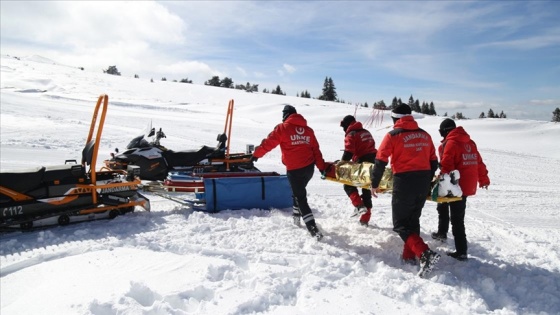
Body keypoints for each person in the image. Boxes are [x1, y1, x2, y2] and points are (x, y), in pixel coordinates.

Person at [370, 104, 440, 277]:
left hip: (404, 181)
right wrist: (428, 180)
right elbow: (433, 161)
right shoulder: (425, 135)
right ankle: (409, 255)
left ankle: (425, 253)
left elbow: (380, 160)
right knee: (413, 220)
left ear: (395, 118)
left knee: (400, 225)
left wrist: (374, 183)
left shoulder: (393, 135)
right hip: (423, 180)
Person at [251, 105, 326, 240]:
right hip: (309, 169)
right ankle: (296, 218)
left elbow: (268, 143)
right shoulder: (308, 130)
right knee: (298, 193)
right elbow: (316, 150)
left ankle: (313, 229)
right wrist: (321, 167)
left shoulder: (282, 128)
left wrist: (256, 154)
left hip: (294, 170)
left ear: (286, 115)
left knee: (301, 197)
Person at [431, 118, 490, 261]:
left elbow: (447, 165)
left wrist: (439, 181)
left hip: (455, 186)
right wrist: (483, 179)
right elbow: (479, 162)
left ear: (445, 131)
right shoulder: (469, 142)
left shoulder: (451, 143)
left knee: (456, 219)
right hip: (467, 184)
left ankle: (461, 251)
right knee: (443, 206)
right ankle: (442, 232)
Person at [339, 115, 377, 226]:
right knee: (366, 189)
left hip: (363, 162)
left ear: (347, 125)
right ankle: (365, 218)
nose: (343, 130)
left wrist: (341, 164)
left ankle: (359, 206)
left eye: (343, 127)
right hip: (375, 162)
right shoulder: (366, 131)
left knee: (347, 184)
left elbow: (348, 152)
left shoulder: (352, 134)